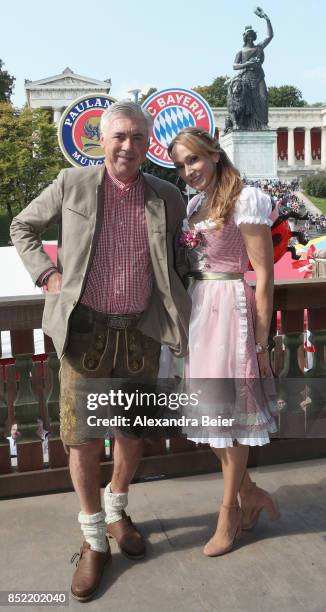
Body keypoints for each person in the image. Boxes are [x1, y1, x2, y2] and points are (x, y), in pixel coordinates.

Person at [10, 100, 191, 601]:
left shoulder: (167, 196)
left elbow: (181, 258)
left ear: (147, 142)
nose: (128, 147)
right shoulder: (71, 185)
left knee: (133, 435)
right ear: (102, 139)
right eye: (119, 137)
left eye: (137, 138)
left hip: (141, 332)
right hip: (84, 332)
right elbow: (22, 227)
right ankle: (93, 538)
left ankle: (117, 509)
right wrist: (46, 274)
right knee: (83, 439)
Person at [168, 127, 279, 557]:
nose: (189, 170)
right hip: (200, 307)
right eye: (180, 165)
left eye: (193, 159)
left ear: (214, 154)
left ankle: (228, 511)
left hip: (230, 308)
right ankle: (250, 493)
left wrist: (262, 341)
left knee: (229, 420)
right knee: (213, 415)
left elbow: (264, 274)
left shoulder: (245, 199)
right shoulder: (195, 204)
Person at [230, 8, 273, 129]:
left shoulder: (259, 47)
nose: (251, 37)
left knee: (263, 98)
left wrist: (266, 19)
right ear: (246, 37)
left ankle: (263, 123)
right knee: (248, 102)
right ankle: (247, 124)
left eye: (252, 35)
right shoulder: (241, 51)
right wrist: (247, 63)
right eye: (249, 35)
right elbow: (234, 66)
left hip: (259, 76)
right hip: (245, 77)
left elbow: (270, 36)